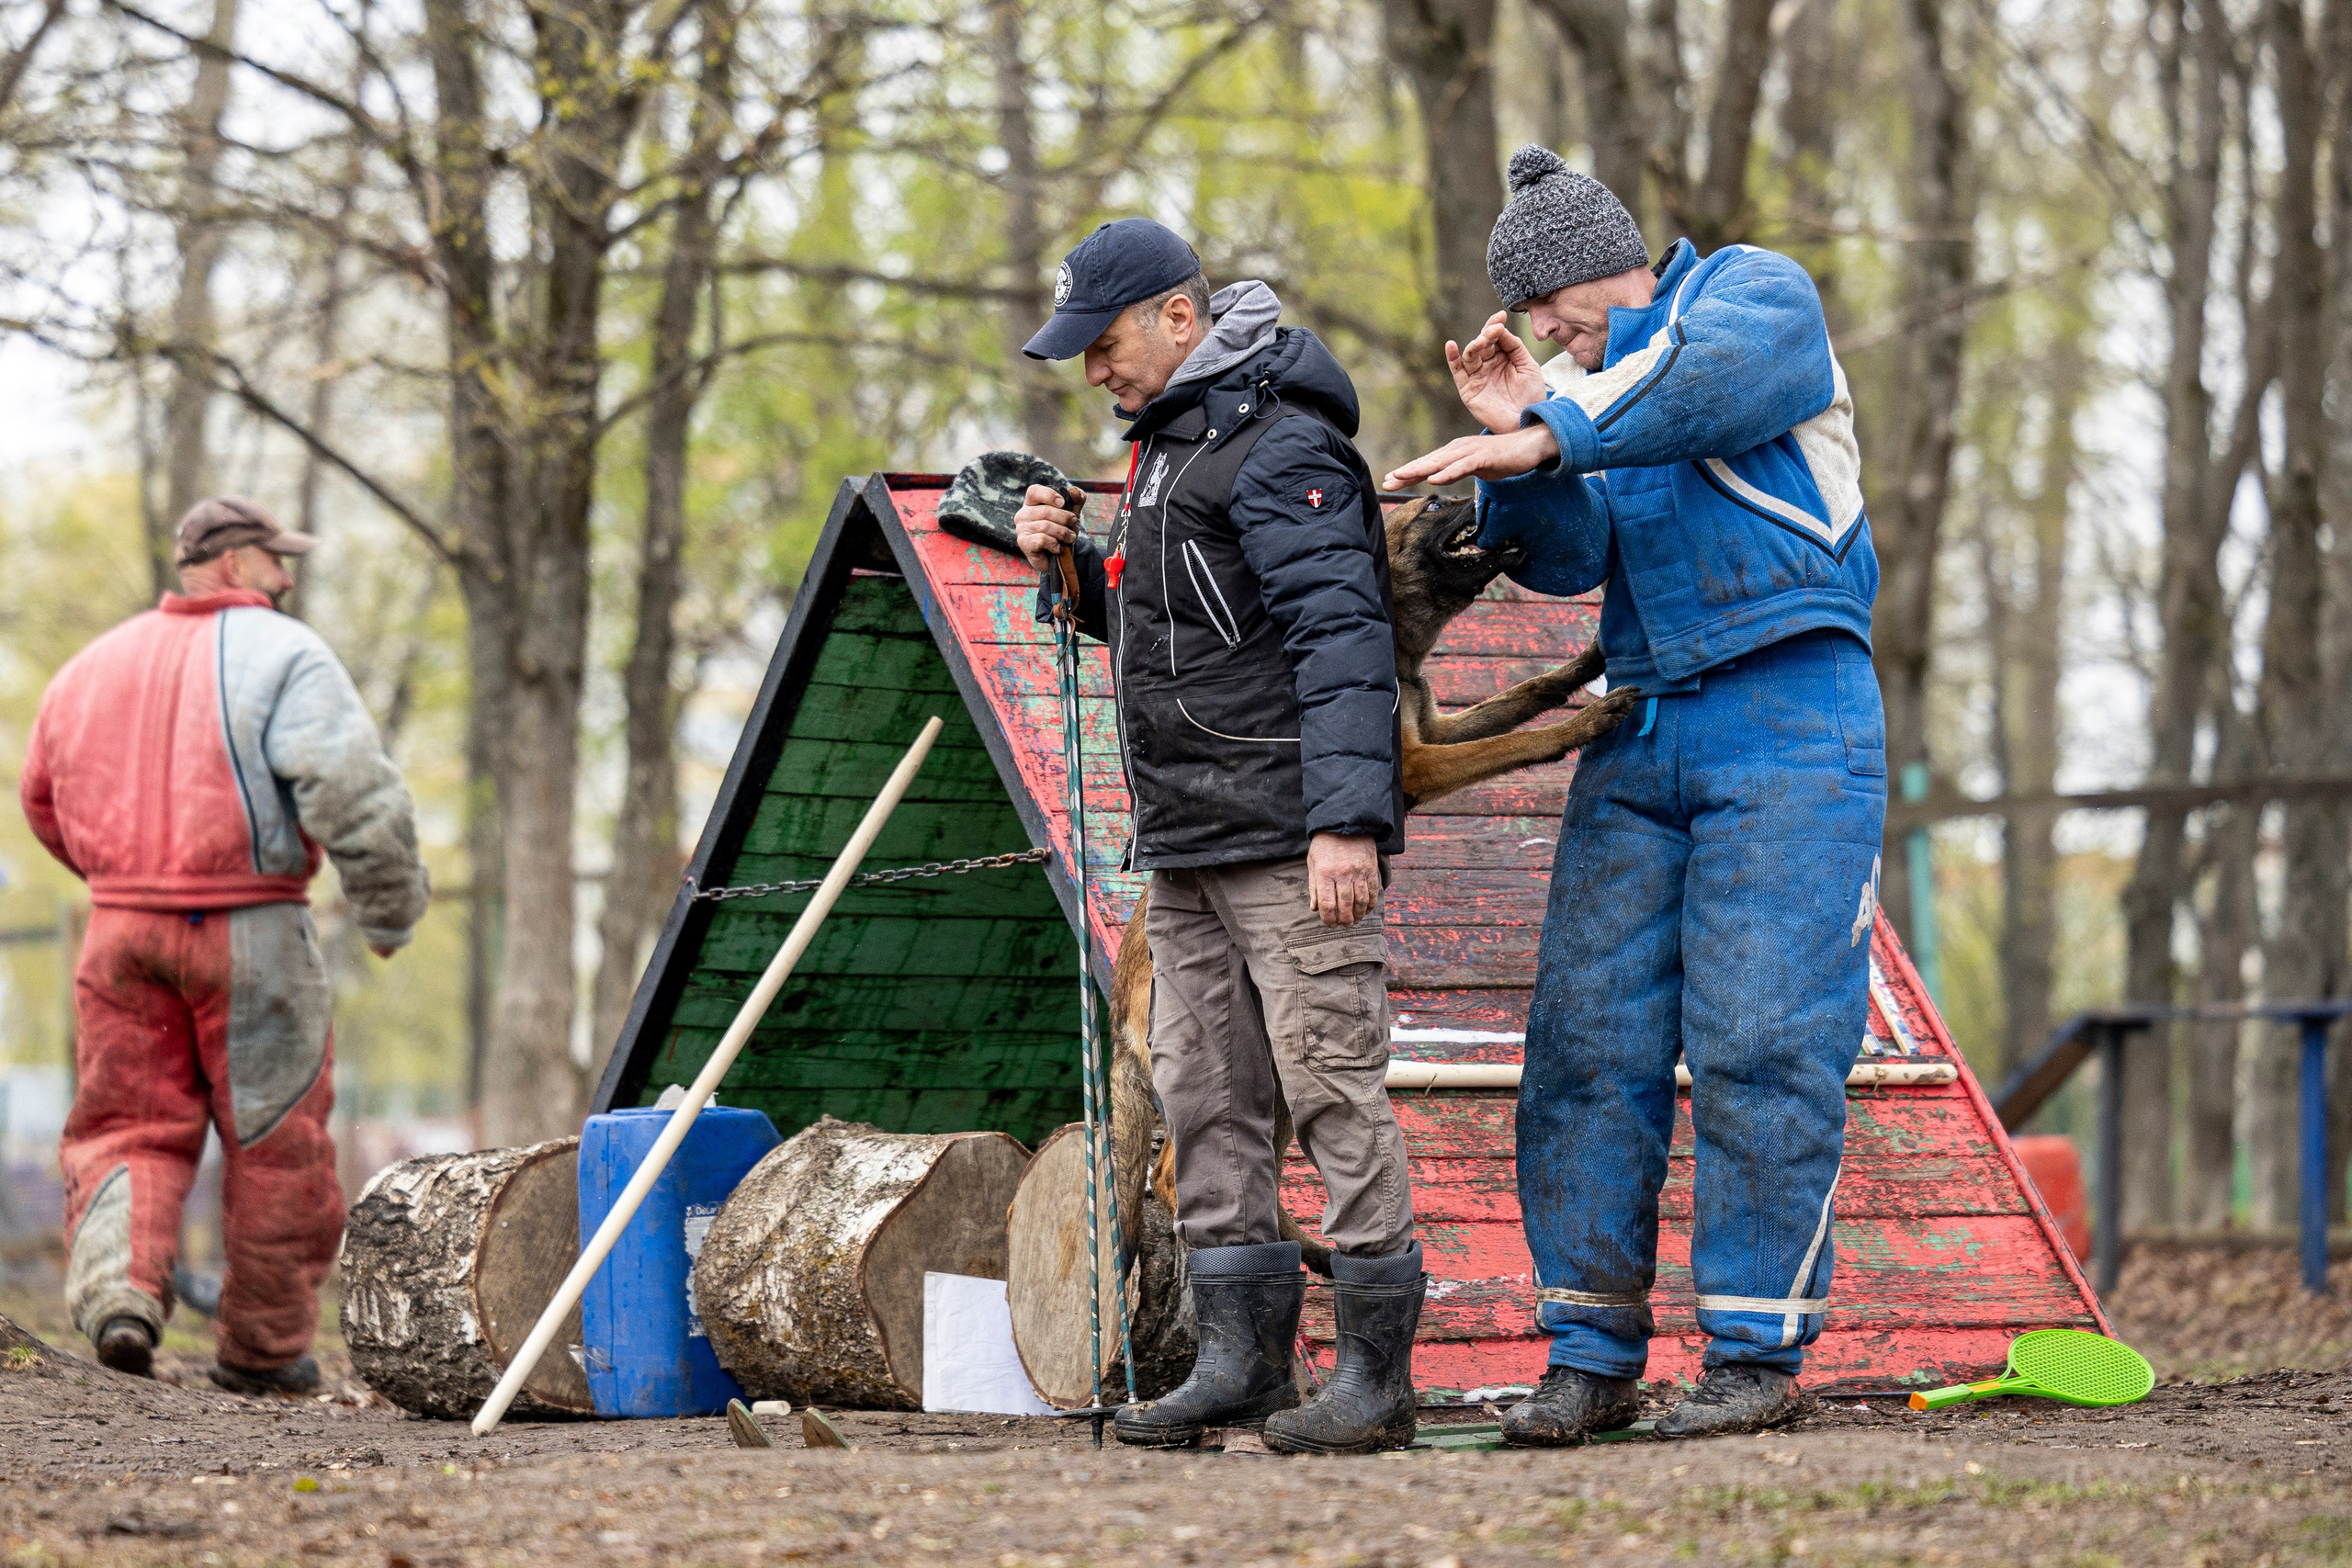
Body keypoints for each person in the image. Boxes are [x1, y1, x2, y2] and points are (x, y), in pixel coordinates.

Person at [1385, 147, 1887, 1441]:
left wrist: (1562, 415)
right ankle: (1589, 1350)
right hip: (1645, 714)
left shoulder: (1752, 301)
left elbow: (1695, 387)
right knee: (1585, 1043)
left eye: (1546, 308)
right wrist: (1527, 449)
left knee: (1765, 1037)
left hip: (1790, 711)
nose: (1540, 332)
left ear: (1589, 270)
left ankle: (1752, 1353)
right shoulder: (1600, 390)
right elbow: (1570, 564)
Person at [1011, 219, 1424, 1455]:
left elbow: (1345, 645)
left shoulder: (1285, 445)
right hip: (1186, 848)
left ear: (1181, 320)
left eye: (1108, 341)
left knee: (1332, 1089)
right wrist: (1078, 577)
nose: (1094, 369)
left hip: (1292, 841)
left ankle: (1373, 1381)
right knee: (1206, 1100)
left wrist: (1349, 822)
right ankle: (1241, 1364)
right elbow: (1191, 635)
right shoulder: (1168, 459)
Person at [19, 497, 429, 1393]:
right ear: (235, 561)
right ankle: (265, 1345)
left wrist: (122, 882)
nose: (286, 578)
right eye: (275, 560)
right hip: (253, 930)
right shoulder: (287, 655)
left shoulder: (89, 668)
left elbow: (41, 800)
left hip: (119, 933)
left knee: (126, 1125)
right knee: (277, 1141)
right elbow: (353, 790)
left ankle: (122, 1298)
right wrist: (389, 909)